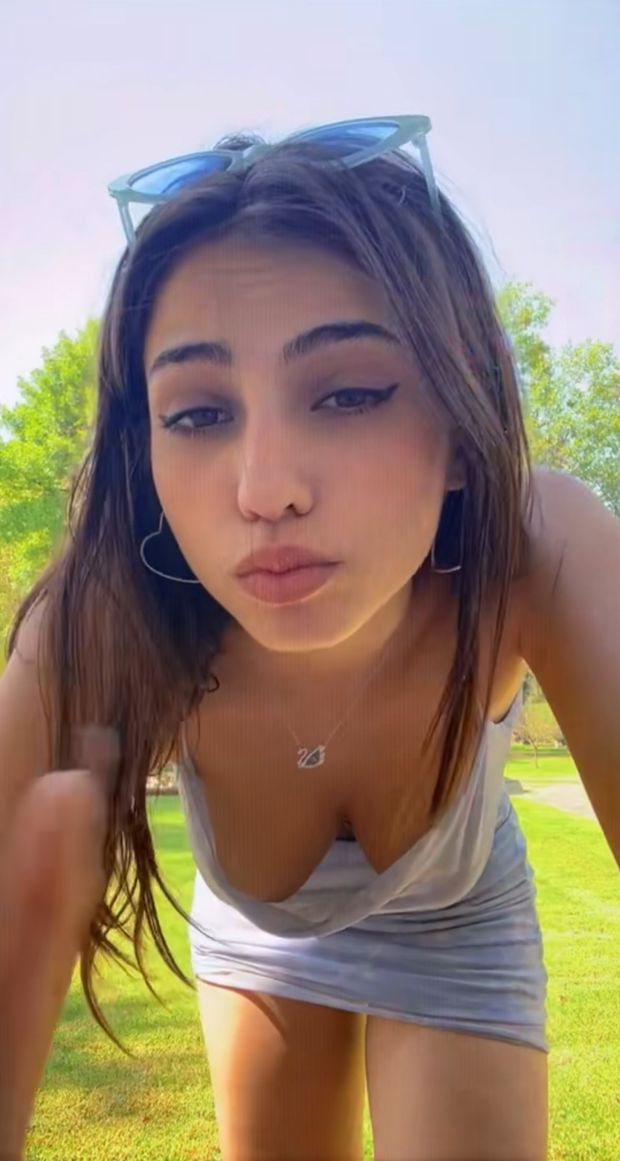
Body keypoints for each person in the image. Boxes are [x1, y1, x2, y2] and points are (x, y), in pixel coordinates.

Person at [1, 118, 551, 1160]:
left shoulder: (533, 550)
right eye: (197, 415)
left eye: (349, 393)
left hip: (459, 921)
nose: (265, 491)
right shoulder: (101, 608)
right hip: (259, 938)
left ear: (461, 417)